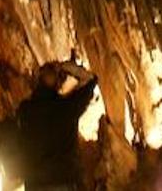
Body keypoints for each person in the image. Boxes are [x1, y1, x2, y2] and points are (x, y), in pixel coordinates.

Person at [15, 59, 99, 190]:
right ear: (59, 81)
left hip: (35, 183)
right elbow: (91, 80)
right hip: (61, 180)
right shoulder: (66, 107)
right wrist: (66, 66)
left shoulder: (25, 111)